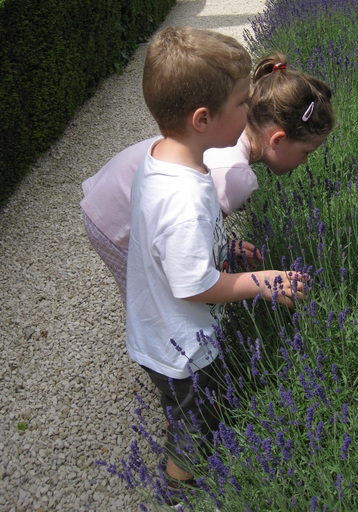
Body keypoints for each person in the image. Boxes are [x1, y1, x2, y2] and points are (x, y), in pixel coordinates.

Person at [123, 26, 304, 509]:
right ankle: (180, 493)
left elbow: (179, 252)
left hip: (164, 330)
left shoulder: (164, 158)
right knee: (192, 425)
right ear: (203, 119)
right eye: (243, 104)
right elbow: (194, 285)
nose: (250, 112)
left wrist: (223, 246)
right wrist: (261, 283)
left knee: (195, 410)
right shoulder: (183, 198)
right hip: (179, 344)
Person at [80, 53, 335, 308]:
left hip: (114, 188)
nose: (305, 163)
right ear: (277, 140)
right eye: (306, 153)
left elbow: (200, 224)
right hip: (114, 219)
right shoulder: (236, 175)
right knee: (152, 300)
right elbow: (193, 246)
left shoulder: (228, 141)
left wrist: (224, 246)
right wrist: (255, 280)